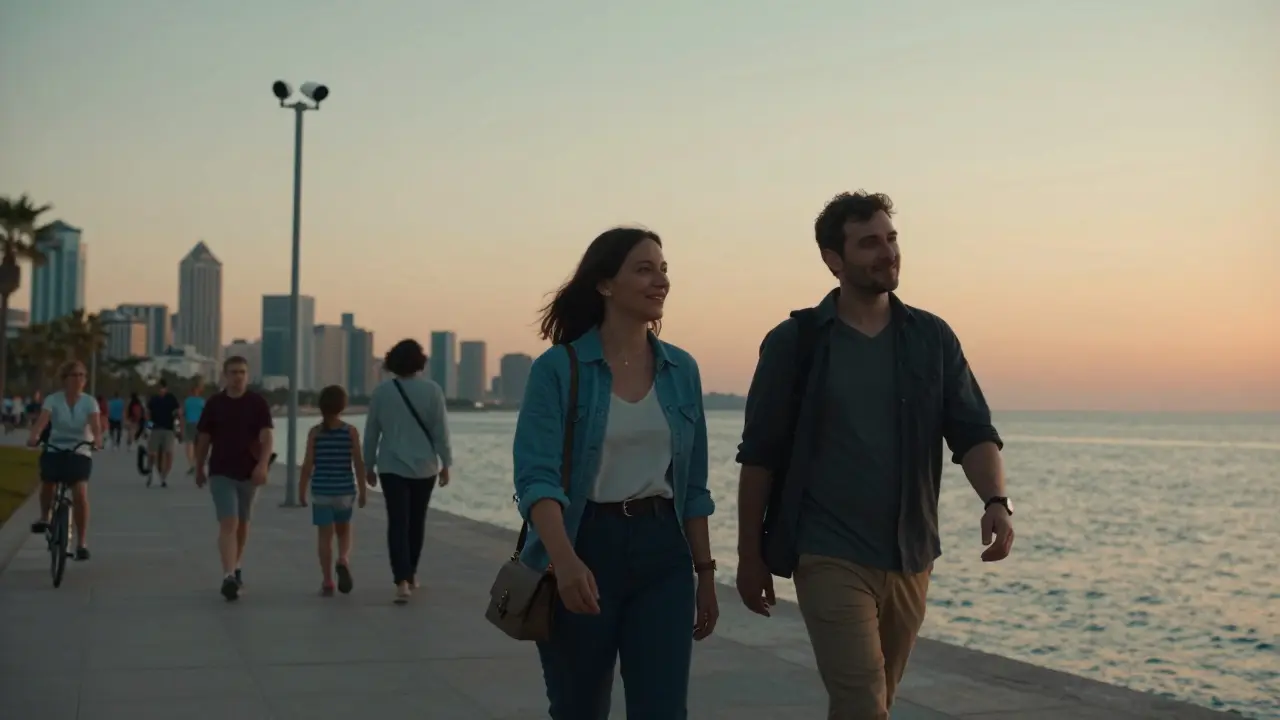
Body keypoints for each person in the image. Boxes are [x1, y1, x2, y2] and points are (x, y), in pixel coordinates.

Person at [734, 191, 1015, 720]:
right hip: (826, 552)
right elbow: (760, 457)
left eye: (891, 239)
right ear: (833, 259)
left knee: (875, 699)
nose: (886, 252)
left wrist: (996, 500)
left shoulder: (931, 338)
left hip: (910, 555)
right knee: (863, 699)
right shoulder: (796, 343)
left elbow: (973, 430)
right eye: (869, 243)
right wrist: (749, 556)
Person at [514, 227, 717, 718]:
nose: (660, 281)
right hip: (584, 545)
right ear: (605, 285)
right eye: (644, 269)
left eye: (663, 269)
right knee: (579, 706)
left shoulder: (681, 370)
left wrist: (705, 572)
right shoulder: (558, 370)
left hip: (662, 551)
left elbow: (692, 486)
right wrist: (563, 562)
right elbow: (536, 479)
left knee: (663, 709)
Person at [363, 339, 452, 604]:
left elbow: (372, 433)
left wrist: (368, 464)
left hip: (391, 466)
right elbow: (441, 432)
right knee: (416, 522)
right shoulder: (433, 391)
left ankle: (401, 580)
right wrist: (446, 463)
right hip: (425, 467)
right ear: (420, 362)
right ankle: (411, 573)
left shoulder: (381, 393)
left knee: (397, 523)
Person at [194, 356, 274, 601]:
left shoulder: (257, 403)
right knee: (229, 522)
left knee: (243, 523)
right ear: (224, 375)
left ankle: (236, 565)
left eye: (242, 372)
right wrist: (198, 466)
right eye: (233, 372)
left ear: (247, 375)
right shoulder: (215, 404)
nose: (238, 376)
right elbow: (204, 438)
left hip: (249, 472)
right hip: (221, 471)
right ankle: (228, 575)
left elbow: (267, 437)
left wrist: (262, 466)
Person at [27, 361, 104, 561]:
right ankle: (45, 517)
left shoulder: (89, 402)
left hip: (80, 450)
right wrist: (34, 436)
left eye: (82, 376)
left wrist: (97, 440)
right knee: (48, 483)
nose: (78, 379)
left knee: (80, 493)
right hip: (55, 447)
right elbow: (42, 421)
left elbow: (95, 426)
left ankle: (81, 543)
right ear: (65, 379)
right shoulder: (53, 400)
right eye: (74, 375)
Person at [299, 385, 368, 596]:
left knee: (324, 537)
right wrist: (363, 490)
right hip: (344, 490)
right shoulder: (350, 432)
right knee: (344, 530)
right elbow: (358, 463)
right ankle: (343, 559)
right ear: (343, 406)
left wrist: (301, 490)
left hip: (321, 490)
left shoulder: (315, 433)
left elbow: (308, 464)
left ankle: (328, 580)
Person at [145, 380, 180, 487]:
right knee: (152, 453)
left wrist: (178, 429)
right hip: (155, 429)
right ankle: (150, 471)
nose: (160, 390)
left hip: (168, 429)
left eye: (162, 388)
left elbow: (177, 413)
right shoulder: (153, 399)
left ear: (166, 388)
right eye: (159, 388)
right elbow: (148, 414)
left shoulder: (171, 398)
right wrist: (148, 428)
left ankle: (163, 477)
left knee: (169, 453)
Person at [183, 379, 207, 474]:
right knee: (198, 446)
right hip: (199, 424)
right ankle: (197, 464)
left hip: (190, 423)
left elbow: (183, 413)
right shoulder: (202, 401)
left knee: (190, 444)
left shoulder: (187, 401)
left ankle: (192, 464)